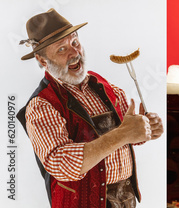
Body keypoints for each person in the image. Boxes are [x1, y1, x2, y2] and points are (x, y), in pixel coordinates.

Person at [15, 9, 164, 208]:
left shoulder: (104, 86)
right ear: (43, 61)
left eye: (75, 43)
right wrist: (123, 134)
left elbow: (126, 132)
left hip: (125, 199)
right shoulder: (42, 104)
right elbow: (61, 163)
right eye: (61, 49)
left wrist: (144, 128)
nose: (75, 52)